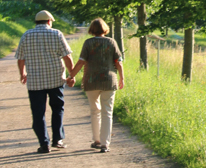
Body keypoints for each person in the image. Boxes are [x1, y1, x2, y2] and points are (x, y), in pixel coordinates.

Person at [15, 10, 75, 153]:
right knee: (57, 108)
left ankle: (44, 143)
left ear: (36, 22)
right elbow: (67, 57)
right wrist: (71, 74)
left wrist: (22, 74)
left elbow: (20, 58)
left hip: (35, 81)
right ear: (49, 21)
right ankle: (58, 139)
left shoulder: (26, 35)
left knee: (38, 113)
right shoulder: (57, 34)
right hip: (56, 79)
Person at [69, 17, 124, 153]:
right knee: (107, 112)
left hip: (91, 80)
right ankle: (105, 144)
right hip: (109, 80)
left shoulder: (88, 43)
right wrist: (122, 78)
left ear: (92, 30)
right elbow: (118, 62)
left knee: (94, 111)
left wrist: (71, 76)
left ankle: (97, 140)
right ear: (105, 29)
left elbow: (81, 62)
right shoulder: (111, 42)